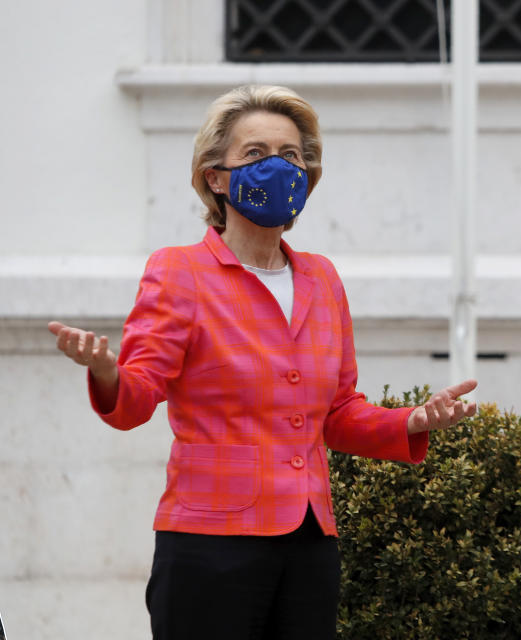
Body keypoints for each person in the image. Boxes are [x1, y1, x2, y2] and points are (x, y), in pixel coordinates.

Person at [47, 84, 478, 640]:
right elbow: (135, 398)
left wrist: (411, 420)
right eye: (255, 154)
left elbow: (338, 413)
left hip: (309, 546)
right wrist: (106, 371)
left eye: (292, 156)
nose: (277, 167)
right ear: (215, 177)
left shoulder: (321, 278)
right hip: (209, 547)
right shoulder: (179, 272)